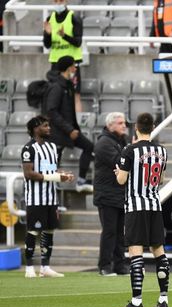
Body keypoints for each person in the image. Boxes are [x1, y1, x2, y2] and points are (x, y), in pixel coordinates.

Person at [115, 112, 170, 307]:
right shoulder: (162, 151)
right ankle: (163, 300)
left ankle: (136, 302)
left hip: (135, 206)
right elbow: (161, 179)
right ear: (153, 127)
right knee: (159, 252)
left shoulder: (129, 150)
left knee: (135, 253)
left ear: (136, 128)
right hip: (155, 205)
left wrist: (119, 172)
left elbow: (121, 180)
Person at [22, 115, 74, 278]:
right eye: (45, 126)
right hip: (36, 198)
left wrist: (63, 174)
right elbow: (29, 173)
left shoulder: (52, 147)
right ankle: (29, 267)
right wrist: (56, 177)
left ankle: (45, 266)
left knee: (49, 231)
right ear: (36, 129)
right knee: (33, 231)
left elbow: (52, 170)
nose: (49, 128)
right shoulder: (29, 149)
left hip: (51, 198)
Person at [44, 55, 93, 193]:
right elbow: (52, 112)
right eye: (73, 65)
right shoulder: (56, 87)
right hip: (58, 133)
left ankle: (81, 182)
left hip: (70, 130)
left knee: (89, 147)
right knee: (53, 165)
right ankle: (52, 194)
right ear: (68, 67)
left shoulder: (69, 85)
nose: (75, 67)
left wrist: (74, 129)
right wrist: (69, 129)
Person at [94, 112, 129, 276]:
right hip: (106, 194)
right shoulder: (104, 142)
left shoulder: (121, 141)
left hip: (120, 194)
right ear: (110, 125)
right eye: (120, 123)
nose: (124, 126)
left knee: (120, 233)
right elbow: (120, 162)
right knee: (109, 231)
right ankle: (104, 266)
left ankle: (120, 266)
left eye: (124, 123)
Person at [43, 0, 83, 113]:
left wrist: (64, 36)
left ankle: (77, 125)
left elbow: (78, 42)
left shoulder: (74, 17)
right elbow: (47, 45)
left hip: (71, 63)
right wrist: (48, 34)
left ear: (65, 1)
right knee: (55, 94)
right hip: (56, 63)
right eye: (55, 1)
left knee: (75, 95)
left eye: (60, 0)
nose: (58, 3)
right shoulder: (49, 19)